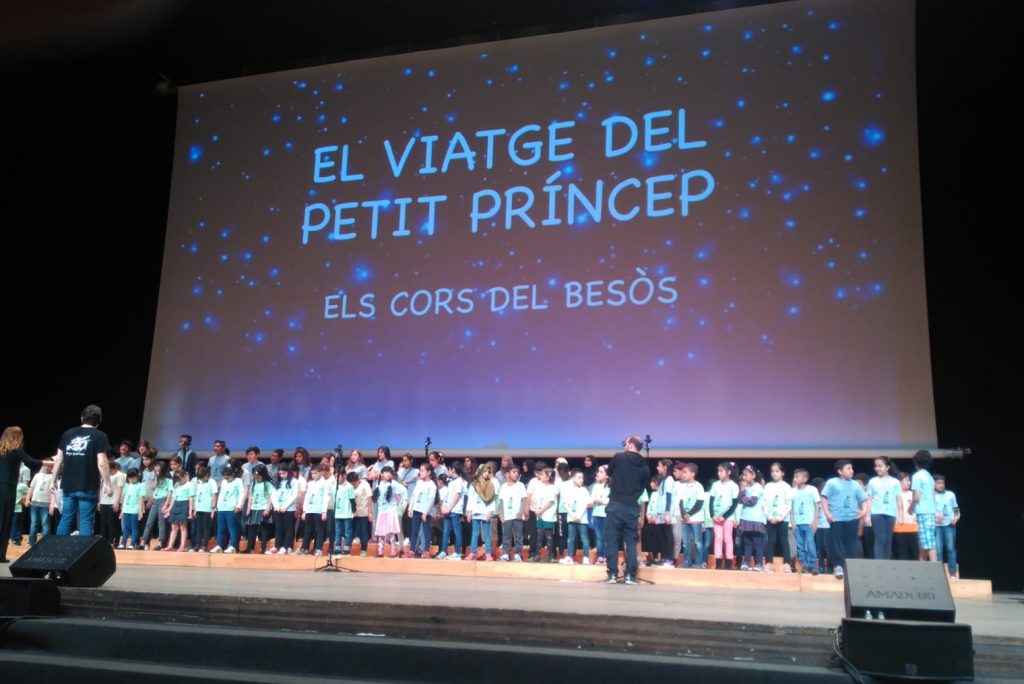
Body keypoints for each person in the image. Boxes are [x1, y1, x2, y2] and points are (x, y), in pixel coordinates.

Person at [51, 405, 113, 537]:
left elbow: (58, 459)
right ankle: (84, 551)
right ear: (99, 420)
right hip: (88, 485)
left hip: (68, 484)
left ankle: (59, 549)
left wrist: (53, 480)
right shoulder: (100, 436)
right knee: (86, 521)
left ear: (82, 417)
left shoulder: (67, 434)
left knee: (66, 518)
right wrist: (108, 484)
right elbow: (102, 462)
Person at [604, 436, 649, 584]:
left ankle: (612, 575)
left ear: (630, 445)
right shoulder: (645, 466)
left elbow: (609, 472)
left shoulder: (619, 457)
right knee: (630, 543)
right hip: (631, 508)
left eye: (626, 442)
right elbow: (642, 488)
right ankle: (630, 575)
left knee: (612, 541)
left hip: (615, 505)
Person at [820, 459, 869, 579]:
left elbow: (864, 500)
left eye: (852, 468)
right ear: (840, 471)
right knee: (837, 544)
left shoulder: (855, 484)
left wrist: (863, 512)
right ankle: (838, 566)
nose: (851, 471)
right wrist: (827, 513)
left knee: (852, 544)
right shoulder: (832, 483)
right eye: (848, 468)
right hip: (836, 518)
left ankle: (850, 567)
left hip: (852, 518)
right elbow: (824, 498)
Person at [866, 456, 900, 560]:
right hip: (877, 513)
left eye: (880, 466)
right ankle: (879, 564)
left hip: (891, 513)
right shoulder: (873, 481)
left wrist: (900, 515)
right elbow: (869, 499)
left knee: (888, 540)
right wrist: (868, 516)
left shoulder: (895, 482)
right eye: (876, 466)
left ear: (887, 467)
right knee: (880, 538)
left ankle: (886, 563)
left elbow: (898, 500)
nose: (877, 468)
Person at [763, 462, 793, 572]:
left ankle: (787, 564)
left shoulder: (786, 487)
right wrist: (770, 516)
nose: (774, 473)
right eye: (772, 471)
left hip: (783, 519)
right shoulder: (768, 486)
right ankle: (769, 563)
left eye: (777, 471)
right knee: (770, 541)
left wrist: (780, 517)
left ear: (782, 473)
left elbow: (788, 504)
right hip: (770, 519)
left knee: (784, 541)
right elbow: (764, 503)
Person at [908, 450, 938, 562]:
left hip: (923, 512)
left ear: (916, 462)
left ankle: (935, 567)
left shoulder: (917, 476)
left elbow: (916, 496)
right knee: (924, 542)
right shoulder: (929, 477)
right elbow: (933, 496)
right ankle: (922, 566)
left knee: (929, 543)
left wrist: (910, 508)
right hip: (930, 511)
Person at [709, 462, 739, 570]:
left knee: (728, 539)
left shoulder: (733, 486)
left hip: (728, 517)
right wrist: (712, 515)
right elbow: (711, 501)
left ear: (728, 472)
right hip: (716, 517)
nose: (719, 473)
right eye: (718, 471)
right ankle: (718, 562)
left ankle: (728, 562)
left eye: (721, 471)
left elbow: (734, 504)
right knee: (718, 538)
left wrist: (725, 516)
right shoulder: (715, 485)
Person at [676, 462, 705, 569]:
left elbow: (699, 503)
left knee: (697, 542)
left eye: (685, 472)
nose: (683, 474)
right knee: (685, 542)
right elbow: (681, 501)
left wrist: (689, 514)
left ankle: (698, 562)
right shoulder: (683, 486)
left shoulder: (699, 486)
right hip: (685, 519)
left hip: (695, 519)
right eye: (682, 472)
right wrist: (683, 513)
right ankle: (687, 561)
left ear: (692, 474)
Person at [737, 465, 767, 572]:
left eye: (746, 475)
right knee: (747, 542)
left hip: (756, 519)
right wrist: (742, 491)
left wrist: (743, 497)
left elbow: (751, 501)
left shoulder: (758, 487)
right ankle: (746, 562)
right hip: (745, 518)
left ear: (753, 475)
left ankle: (759, 564)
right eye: (743, 475)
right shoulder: (745, 488)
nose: (743, 477)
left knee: (757, 542)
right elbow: (739, 500)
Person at [790, 468, 819, 574]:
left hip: (809, 522)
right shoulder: (793, 491)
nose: (795, 478)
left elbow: (817, 505)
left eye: (797, 477)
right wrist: (792, 522)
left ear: (805, 478)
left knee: (810, 543)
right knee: (800, 545)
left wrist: (815, 521)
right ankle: (804, 565)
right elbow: (791, 508)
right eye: (794, 476)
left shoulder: (812, 489)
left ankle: (813, 565)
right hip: (798, 523)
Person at [465, 463, 496, 561]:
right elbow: (470, 499)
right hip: (475, 511)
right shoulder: (473, 485)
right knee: (475, 533)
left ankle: (488, 554)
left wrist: (490, 511)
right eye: (485, 471)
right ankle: (472, 553)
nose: (487, 473)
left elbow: (492, 500)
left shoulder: (490, 484)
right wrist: (469, 511)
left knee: (486, 534)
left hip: (485, 512)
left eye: (488, 472)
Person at [212, 463, 244, 553]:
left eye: (227, 476)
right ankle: (219, 545)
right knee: (220, 528)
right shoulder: (224, 481)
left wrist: (239, 505)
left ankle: (233, 546)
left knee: (232, 528)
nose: (225, 477)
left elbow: (241, 493)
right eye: (224, 476)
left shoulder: (238, 481)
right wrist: (217, 506)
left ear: (232, 474)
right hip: (221, 508)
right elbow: (221, 493)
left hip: (231, 508)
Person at [562, 468, 591, 565]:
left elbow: (586, 504)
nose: (581, 480)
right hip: (571, 518)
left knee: (584, 538)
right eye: (579, 478)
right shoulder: (569, 491)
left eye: (582, 478)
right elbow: (566, 504)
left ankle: (586, 557)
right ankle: (570, 556)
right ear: (573, 479)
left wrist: (579, 515)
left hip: (582, 519)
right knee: (571, 538)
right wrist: (572, 515)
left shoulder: (584, 490)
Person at [407, 463, 437, 558]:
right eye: (420, 470)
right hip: (416, 509)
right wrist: (410, 508)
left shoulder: (432, 485)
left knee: (426, 532)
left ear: (429, 472)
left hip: (425, 512)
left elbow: (431, 500)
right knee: (414, 531)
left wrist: (425, 513)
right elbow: (414, 496)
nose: (420, 472)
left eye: (422, 471)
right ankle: (412, 550)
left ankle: (426, 551)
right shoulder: (419, 483)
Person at [497, 465, 526, 561]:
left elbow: (523, 500)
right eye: (514, 472)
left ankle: (518, 554)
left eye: (517, 472)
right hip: (507, 516)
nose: (516, 474)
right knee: (506, 536)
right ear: (508, 474)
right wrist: (501, 514)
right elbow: (501, 502)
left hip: (517, 516)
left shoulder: (520, 485)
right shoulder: (503, 487)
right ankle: (506, 553)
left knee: (518, 536)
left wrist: (520, 513)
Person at [933, 475, 960, 579]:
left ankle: (953, 573)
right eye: (938, 483)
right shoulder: (932, 495)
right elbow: (929, 509)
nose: (941, 485)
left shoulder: (950, 494)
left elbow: (955, 508)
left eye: (943, 483)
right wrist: (936, 515)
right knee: (938, 550)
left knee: (951, 548)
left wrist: (956, 517)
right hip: (937, 525)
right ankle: (938, 574)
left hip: (949, 524)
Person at [372, 466, 402, 557]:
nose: (388, 474)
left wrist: (395, 508)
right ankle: (380, 550)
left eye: (390, 472)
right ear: (381, 474)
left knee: (391, 531)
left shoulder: (394, 484)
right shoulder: (378, 484)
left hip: (391, 510)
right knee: (381, 532)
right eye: (386, 472)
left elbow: (398, 496)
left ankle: (394, 550)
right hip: (382, 511)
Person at [438, 463, 465, 560]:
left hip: (455, 510)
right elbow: (446, 495)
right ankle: (443, 551)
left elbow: (457, 496)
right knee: (445, 531)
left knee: (457, 531)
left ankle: (457, 552)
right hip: (447, 510)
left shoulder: (459, 481)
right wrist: (443, 507)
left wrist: (449, 508)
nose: (448, 471)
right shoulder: (450, 481)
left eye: (449, 469)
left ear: (453, 470)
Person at [162, 469, 194, 552]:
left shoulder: (190, 485)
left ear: (185, 476)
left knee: (183, 527)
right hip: (176, 505)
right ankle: (170, 545)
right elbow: (173, 498)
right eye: (177, 480)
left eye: (180, 479)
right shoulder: (176, 485)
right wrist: (169, 509)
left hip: (184, 505)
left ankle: (182, 546)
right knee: (174, 527)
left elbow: (191, 498)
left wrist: (190, 510)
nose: (179, 481)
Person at [270, 464, 299, 555]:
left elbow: (294, 495)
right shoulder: (277, 482)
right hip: (277, 508)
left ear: (288, 472)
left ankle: (286, 547)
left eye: (283, 473)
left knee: (288, 528)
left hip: (289, 509)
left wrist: (285, 506)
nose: (281, 475)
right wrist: (276, 506)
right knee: (279, 528)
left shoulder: (294, 481)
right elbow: (273, 495)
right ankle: (277, 546)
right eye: (280, 474)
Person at [25, 459, 55, 546]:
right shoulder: (37, 475)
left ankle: (45, 544)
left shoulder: (53, 477)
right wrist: (27, 499)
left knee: (45, 524)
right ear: (42, 465)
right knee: (34, 523)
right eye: (46, 465)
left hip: (46, 504)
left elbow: (53, 492)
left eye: (50, 466)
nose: (48, 467)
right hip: (35, 503)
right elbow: (31, 488)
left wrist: (52, 505)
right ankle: (31, 542)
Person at [892, 472, 920, 561]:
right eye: (907, 480)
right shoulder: (894, 495)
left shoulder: (913, 494)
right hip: (899, 528)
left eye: (909, 480)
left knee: (914, 554)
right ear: (900, 482)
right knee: (901, 554)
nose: (909, 483)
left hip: (913, 528)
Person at [119, 467, 146, 550]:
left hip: (135, 510)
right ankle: (123, 543)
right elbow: (124, 498)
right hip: (126, 509)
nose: (131, 479)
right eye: (130, 478)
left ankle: (132, 544)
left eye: (133, 478)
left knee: (134, 528)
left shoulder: (141, 485)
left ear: (138, 476)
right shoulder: (127, 485)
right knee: (126, 527)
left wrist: (140, 511)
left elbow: (141, 499)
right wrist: (122, 510)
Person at [192, 465, 218, 552]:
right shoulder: (199, 482)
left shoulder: (212, 482)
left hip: (207, 509)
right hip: (199, 508)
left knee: (206, 528)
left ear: (207, 475)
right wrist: (195, 509)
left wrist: (213, 508)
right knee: (199, 528)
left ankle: (205, 545)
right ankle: (197, 544)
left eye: (203, 478)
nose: (202, 479)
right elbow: (197, 495)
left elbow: (214, 495)